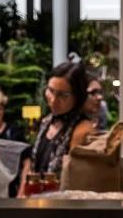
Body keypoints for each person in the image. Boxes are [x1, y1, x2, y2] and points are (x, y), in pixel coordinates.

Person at [24, 62, 95, 192]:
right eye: (51, 91)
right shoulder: (47, 121)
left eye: (63, 95)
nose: (53, 100)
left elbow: (75, 180)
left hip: (63, 205)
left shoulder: (83, 129)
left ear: (78, 97)